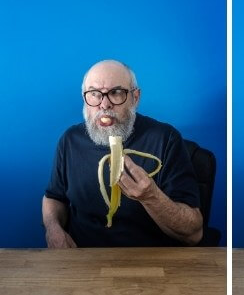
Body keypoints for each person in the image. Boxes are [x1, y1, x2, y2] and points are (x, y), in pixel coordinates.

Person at [42, 60, 203, 247]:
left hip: (152, 261)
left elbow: (194, 233)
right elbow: (54, 197)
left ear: (135, 97)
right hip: (83, 258)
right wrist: (53, 229)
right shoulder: (70, 140)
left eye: (116, 93)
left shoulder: (166, 139)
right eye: (94, 94)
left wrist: (150, 196)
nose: (104, 104)